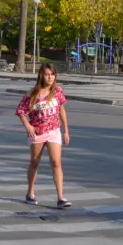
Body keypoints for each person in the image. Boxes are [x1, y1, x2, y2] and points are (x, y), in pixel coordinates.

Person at [15, 63, 71, 208]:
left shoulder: (58, 92)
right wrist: (28, 125)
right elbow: (20, 111)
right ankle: (30, 193)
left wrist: (66, 131)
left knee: (56, 162)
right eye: (47, 74)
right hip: (37, 133)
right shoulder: (32, 94)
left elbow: (62, 111)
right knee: (35, 162)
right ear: (41, 75)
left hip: (53, 131)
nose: (50, 77)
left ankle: (60, 198)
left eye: (52, 74)